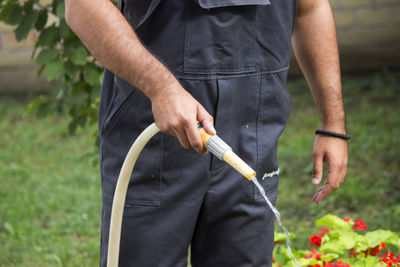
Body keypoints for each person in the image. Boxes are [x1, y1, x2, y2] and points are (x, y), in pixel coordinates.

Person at [65, 0, 349, 266]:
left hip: (253, 134)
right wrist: (161, 88)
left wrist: (333, 125)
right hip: (156, 132)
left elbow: (311, 8)